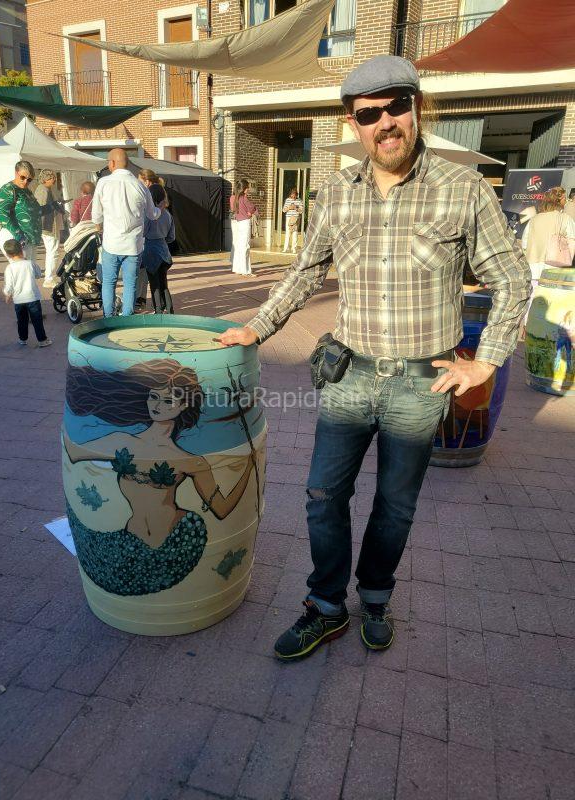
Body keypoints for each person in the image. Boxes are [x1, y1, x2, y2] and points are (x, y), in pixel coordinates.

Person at [219, 55, 531, 661]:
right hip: (349, 377)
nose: (384, 122)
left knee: (395, 505)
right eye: (369, 114)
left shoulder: (463, 188)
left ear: (418, 108)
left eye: (396, 106)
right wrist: (256, 327)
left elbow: (512, 279)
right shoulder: (337, 192)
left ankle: (377, 596)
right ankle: (327, 605)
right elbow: (305, 271)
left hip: (421, 384)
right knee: (322, 496)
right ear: (353, 123)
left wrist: (486, 361)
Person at [62, 359, 255, 595]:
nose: (157, 405)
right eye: (153, 396)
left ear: (184, 405)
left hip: (177, 544)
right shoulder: (122, 442)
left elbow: (221, 508)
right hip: (130, 544)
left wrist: (248, 467)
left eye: (168, 400)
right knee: (103, 564)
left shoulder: (190, 461)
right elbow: (73, 451)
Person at [92, 148, 162, 317]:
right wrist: (161, 209)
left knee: (109, 282)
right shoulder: (140, 185)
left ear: (112, 163)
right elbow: (152, 215)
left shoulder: (103, 183)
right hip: (133, 245)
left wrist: (99, 227)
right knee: (130, 284)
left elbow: (96, 215)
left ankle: (108, 318)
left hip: (111, 243)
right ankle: (126, 318)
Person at [521, 187, 575, 335]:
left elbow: (525, 244)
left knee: (533, 298)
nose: (566, 201)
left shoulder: (534, 219)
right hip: (555, 267)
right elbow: (572, 243)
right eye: (564, 198)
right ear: (559, 200)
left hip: (533, 266)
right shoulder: (566, 219)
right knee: (553, 301)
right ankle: (548, 332)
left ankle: (528, 328)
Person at [2, 238, 52, 348]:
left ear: (8, 255)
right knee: (37, 320)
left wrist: (7, 294)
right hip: (33, 298)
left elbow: (9, 285)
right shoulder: (30, 263)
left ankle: (22, 339)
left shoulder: (9, 268)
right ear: (21, 250)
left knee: (21, 321)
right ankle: (42, 340)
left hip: (18, 300)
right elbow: (38, 275)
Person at [0, 160, 42, 262]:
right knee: (22, 270)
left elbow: (35, 211)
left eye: (29, 179)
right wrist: (18, 234)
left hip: (29, 238)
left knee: (30, 270)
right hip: (15, 237)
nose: (25, 181)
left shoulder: (27, 191)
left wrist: (52, 206)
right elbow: (1, 214)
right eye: (22, 177)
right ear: (16, 173)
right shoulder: (8, 189)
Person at [135, 169, 167, 311]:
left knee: (143, 272)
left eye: (140, 180)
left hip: (145, 242)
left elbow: (147, 220)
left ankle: (141, 300)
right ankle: (147, 301)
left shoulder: (147, 196)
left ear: (147, 181)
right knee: (156, 279)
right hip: (160, 247)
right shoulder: (161, 196)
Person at [143, 183, 176, 314]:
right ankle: (170, 309)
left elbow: (143, 232)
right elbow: (171, 237)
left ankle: (158, 310)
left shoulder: (148, 215)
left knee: (154, 284)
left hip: (150, 251)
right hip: (164, 251)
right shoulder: (168, 215)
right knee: (164, 283)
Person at [34, 169, 64, 287]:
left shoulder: (44, 189)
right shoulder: (43, 190)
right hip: (48, 226)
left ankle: (49, 277)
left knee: (52, 251)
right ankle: (49, 279)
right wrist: (55, 206)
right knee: (53, 252)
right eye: (52, 178)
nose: (54, 180)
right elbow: (41, 209)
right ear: (45, 179)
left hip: (48, 226)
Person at [231, 179, 258, 277]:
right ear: (244, 188)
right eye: (247, 187)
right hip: (245, 223)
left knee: (238, 246)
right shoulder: (244, 198)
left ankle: (237, 268)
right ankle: (246, 271)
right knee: (245, 246)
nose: (248, 189)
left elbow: (234, 210)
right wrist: (250, 213)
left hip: (237, 223)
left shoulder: (233, 198)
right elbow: (253, 208)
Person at [282, 188, 303, 253]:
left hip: (296, 219)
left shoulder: (299, 200)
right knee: (288, 233)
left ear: (296, 195)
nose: (293, 197)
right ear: (290, 195)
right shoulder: (287, 200)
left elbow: (301, 211)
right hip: (289, 218)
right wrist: (289, 208)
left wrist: (296, 208)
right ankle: (285, 248)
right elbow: (283, 210)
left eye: (295, 195)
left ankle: (294, 248)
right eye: (292, 195)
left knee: (295, 233)